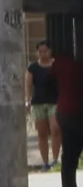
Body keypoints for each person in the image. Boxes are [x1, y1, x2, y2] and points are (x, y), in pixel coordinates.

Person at [54, 43, 83, 187]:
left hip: (67, 113)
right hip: (74, 113)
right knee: (70, 160)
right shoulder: (71, 67)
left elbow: (49, 82)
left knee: (69, 160)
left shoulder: (61, 65)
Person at [34, 43, 61, 172]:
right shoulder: (33, 67)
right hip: (38, 102)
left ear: (50, 51)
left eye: (45, 51)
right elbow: (28, 84)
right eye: (40, 51)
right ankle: (45, 162)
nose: (43, 54)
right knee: (42, 133)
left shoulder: (56, 65)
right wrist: (27, 100)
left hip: (55, 101)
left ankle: (55, 160)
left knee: (55, 129)